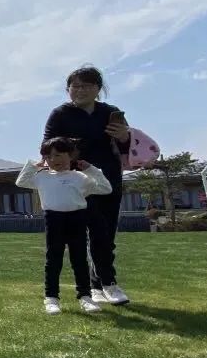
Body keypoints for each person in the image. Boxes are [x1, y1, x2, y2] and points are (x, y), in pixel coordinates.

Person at [43, 66, 131, 306]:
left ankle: (100, 284)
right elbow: (47, 146)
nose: (80, 90)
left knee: (106, 233)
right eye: (75, 86)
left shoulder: (110, 112)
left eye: (86, 86)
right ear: (68, 90)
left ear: (98, 89)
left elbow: (125, 149)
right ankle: (107, 283)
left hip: (107, 177)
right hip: (76, 180)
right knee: (91, 232)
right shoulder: (60, 114)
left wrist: (124, 136)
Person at [15, 137, 112, 315]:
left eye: (58, 155)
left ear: (71, 155)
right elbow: (21, 181)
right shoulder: (42, 177)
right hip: (53, 220)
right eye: (49, 156)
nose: (54, 160)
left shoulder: (80, 177)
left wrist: (91, 169)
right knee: (53, 260)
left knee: (79, 259)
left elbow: (106, 188)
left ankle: (85, 297)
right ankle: (51, 298)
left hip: (77, 219)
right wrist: (34, 165)